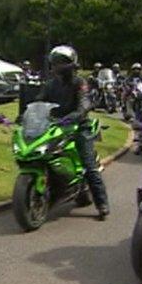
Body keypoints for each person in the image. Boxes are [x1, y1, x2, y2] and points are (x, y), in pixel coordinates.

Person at [34, 46, 110, 220]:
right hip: (55, 126)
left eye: (59, 63)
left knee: (89, 166)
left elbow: (84, 103)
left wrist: (76, 115)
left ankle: (102, 204)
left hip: (78, 126)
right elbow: (39, 101)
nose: (55, 67)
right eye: (54, 63)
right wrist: (27, 114)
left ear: (69, 64)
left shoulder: (79, 83)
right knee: (40, 153)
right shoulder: (50, 85)